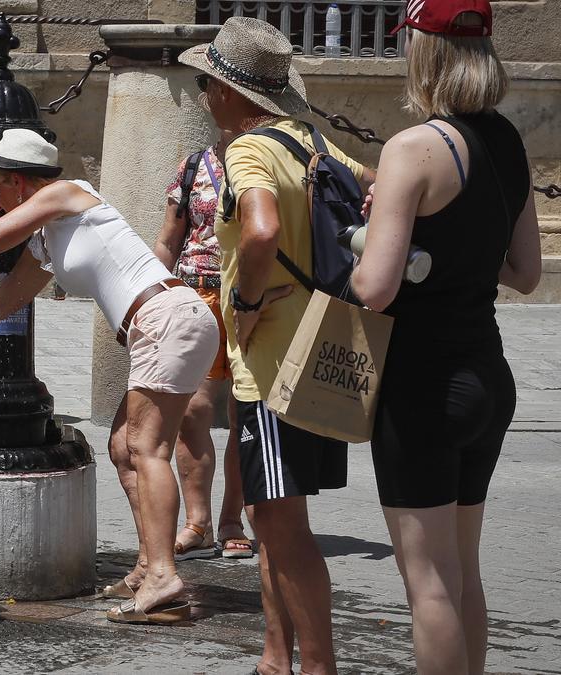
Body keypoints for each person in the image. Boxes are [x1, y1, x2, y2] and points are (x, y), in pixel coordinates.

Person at [0, 128, 220, 625]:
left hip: (167, 319)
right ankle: (147, 570)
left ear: (16, 181)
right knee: (123, 447)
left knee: (146, 448)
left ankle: (164, 576)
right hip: (161, 325)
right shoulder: (51, 238)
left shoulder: (69, 192)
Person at [179, 17, 375, 674]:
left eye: (209, 83)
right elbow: (373, 188)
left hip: (272, 368)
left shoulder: (249, 150)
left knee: (286, 530)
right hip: (322, 346)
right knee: (270, 519)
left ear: (234, 93)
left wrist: (248, 302)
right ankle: (273, 657)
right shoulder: (312, 140)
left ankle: (316, 666)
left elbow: (259, 231)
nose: (206, 96)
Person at [351, 1, 540, 672]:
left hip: (420, 386)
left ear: (425, 52)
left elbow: (373, 288)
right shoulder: (508, 143)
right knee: (464, 572)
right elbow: (526, 272)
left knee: (427, 580)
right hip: (487, 375)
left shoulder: (413, 148)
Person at [151, 140, 252, 565]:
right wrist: (149, 299)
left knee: (245, 414)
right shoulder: (193, 166)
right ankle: (198, 523)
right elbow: (169, 241)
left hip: (255, 295)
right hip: (198, 296)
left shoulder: (271, 162)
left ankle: (232, 521)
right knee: (191, 411)